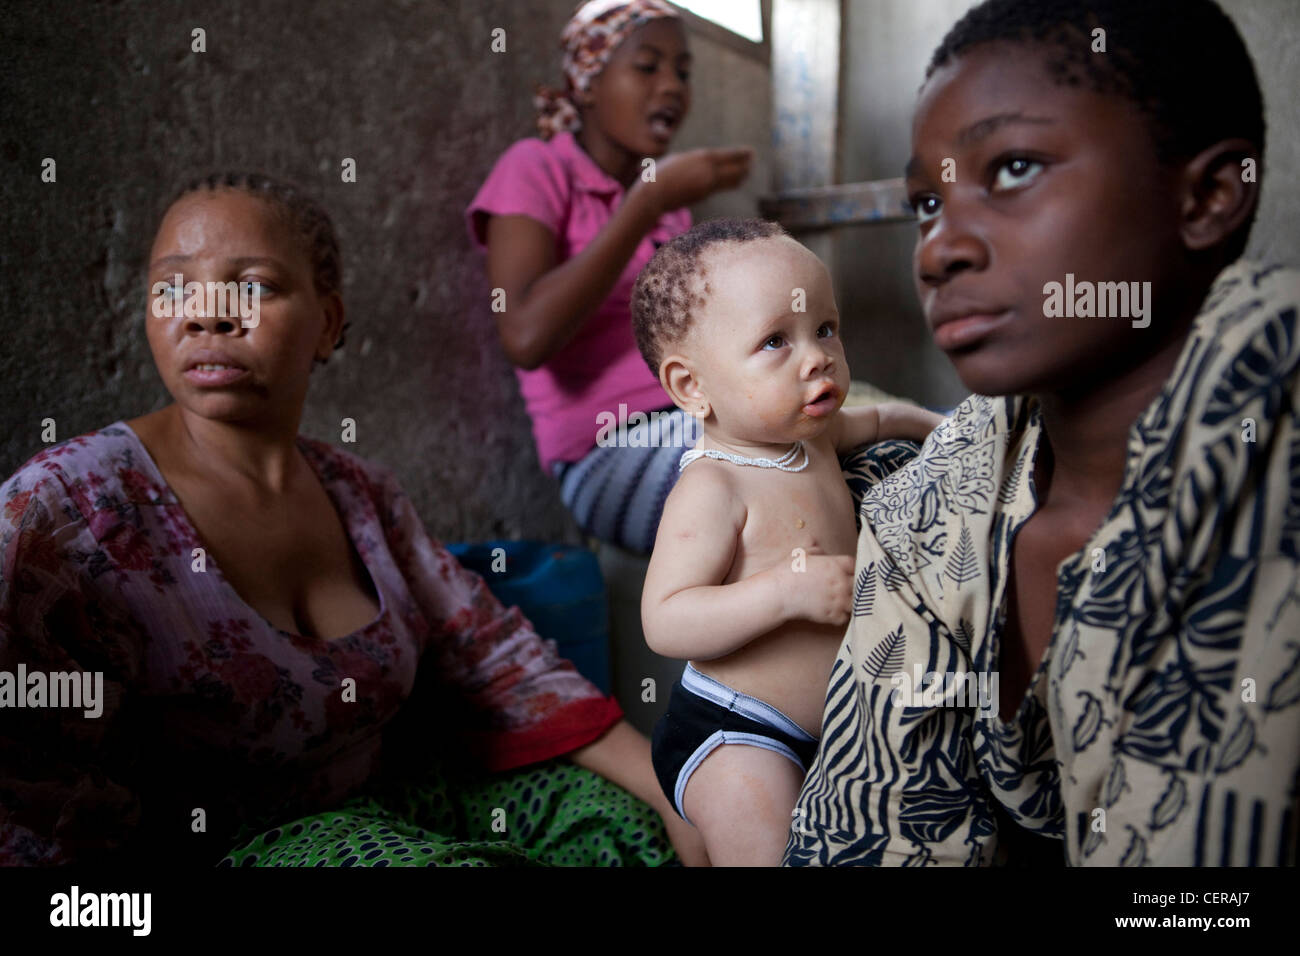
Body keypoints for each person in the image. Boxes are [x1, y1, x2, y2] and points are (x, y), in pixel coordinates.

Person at [0, 171, 705, 867]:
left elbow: (491, 655)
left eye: (255, 285)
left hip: (394, 802)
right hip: (226, 853)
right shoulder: (67, 511)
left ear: (328, 323)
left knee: (625, 828)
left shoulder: (359, 492)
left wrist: (672, 792)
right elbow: (30, 800)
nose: (206, 312)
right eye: (173, 287)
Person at [785, 0, 1300, 867]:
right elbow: (867, 832)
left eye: (1015, 168)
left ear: (1207, 195)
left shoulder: (1271, 467)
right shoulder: (933, 512)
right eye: (925, 203)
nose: (938, 248)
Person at [631, 218, 941, 865]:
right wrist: (785, 592)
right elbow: (666, 619)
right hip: (738, 730)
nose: (817, 356)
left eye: (825, 328)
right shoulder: (713, 488)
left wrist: (938, 425)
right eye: (776, 341)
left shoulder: (814, 437)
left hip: (834, 728)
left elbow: (881, 419)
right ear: (692, 388)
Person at [466, 0, 752, 553]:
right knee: (783, 468)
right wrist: (645, 203)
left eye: (683, 72)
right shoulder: (537, 168)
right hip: (607, 450)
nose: (671, 86)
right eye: (647, 66)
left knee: (881, 445)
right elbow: (524, 336)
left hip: (697, 414)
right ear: (588, 83)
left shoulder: (669, 211)